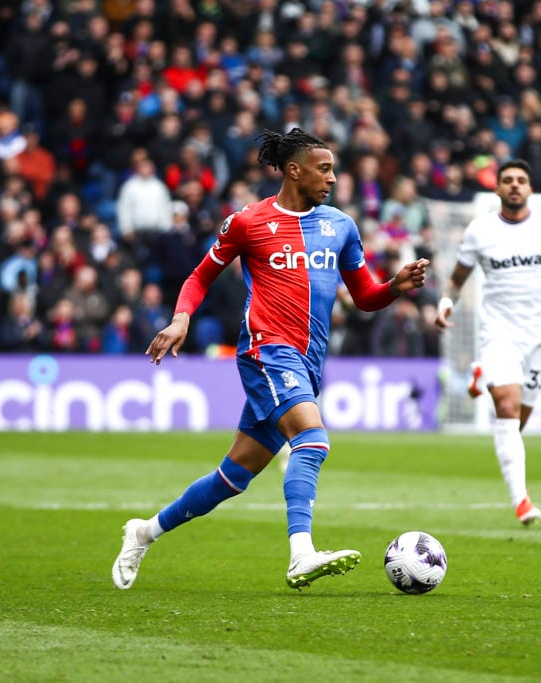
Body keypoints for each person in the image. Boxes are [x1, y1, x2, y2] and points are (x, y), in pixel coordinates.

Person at [112, 128, 429, 591]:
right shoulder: (247, 222)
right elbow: (200, 277)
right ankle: (301, 553)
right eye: (325, 169)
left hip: (307, 361)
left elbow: (364, 297)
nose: (334, 178)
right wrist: (181, 319)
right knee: (313, 440)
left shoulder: (340, 226)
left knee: (232, 477)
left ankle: (144, 531)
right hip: (266, 350)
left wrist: (394, 288)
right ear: (294, 170)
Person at [435, 159, 541, 526]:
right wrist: (445, 302)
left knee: (517, 423)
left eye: (522, 180)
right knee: (506, 409)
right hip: (499, 333)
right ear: (498, 189)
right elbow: (457, 280)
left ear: (530, 189)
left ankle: (481, 376)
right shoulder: (481, 230)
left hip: (539, 336)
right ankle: (521, 501)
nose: (515, 185)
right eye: (508, 181)